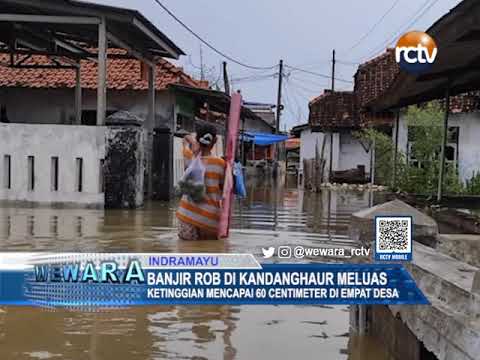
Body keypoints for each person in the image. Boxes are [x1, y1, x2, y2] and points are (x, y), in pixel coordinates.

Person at [176, 124, 225, 240]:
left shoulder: (189, 158)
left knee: (187, 254)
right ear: (216, 140)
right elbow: (224, 189)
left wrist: (193, 142)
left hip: (187, 215)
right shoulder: (221, 164)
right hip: (209, 219)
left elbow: (185, 139)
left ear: (198, 139)